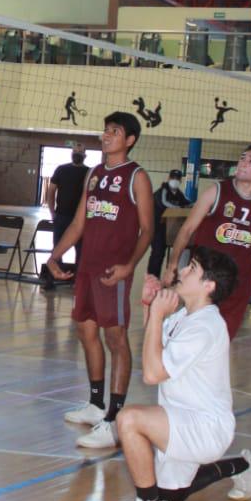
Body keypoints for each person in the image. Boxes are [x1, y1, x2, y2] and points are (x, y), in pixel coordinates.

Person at [102, 246, 251, 501]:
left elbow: (152, 374)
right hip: (181, 418)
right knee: (169, 494)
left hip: (204, 427)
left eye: (193, 269)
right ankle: (243, 465)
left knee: (129, 419)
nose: (183, 270)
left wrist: (155, 314)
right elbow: (156, 353)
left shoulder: (206, 326)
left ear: (208, 286)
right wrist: (151, 309)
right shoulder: (183, 317)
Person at [49, 112, 154, 450]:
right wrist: (54, 256)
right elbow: (79, 222)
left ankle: (115, 420)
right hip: (87, 268)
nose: (106, 135)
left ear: (130, 140)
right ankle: (96, 405)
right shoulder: (93, 174)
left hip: (113, 272)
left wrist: (129, 266)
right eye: (106, 130)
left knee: (117, 338)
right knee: (85, 330)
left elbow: (148, 229)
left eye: (115, 131)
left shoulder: (137, 177)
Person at [165, 144, 251, 340]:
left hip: (239, 279)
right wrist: (172, 265)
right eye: (242, 158)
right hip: (207, 277)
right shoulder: (216, 191)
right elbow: (187, 229)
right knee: (193, 332)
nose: (243, 163)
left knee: (223, 337)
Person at [40, 145, 89, 289]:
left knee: (80, 251)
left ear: (85, 155)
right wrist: (52, 212)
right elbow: (51, 191)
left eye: (80, 152)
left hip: (79, 220)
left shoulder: (89, 172)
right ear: (71, 153)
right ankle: (52, 280)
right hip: (61, 217)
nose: (77, 153)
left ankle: (77, 282)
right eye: (75, 151)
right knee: (57, 249)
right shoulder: (61, 169)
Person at [147, 169, 188, 278]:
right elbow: (163, 203)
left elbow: (186, 203)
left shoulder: (178, 194)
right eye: (173, 178)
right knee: (157, 253)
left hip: (168, 229)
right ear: (169, 178)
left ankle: (163, 279)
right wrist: (178, 208)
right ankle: (152, 279)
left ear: (180, 180)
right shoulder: (162, 191)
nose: (175, 180)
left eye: (177, 179)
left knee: (164, 254)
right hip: (156, 227)